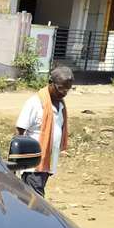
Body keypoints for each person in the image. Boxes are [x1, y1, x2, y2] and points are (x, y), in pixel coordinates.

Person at [15, 66, 73, 198]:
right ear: (50, 83)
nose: (64, 93)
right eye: (60, 88)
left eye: (67, 90)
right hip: (33, 166)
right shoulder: (35, 103)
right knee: (36, 201)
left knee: (28, 201)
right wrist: (16, 163)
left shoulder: (61, 105)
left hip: (47, 163)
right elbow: (19, 132)